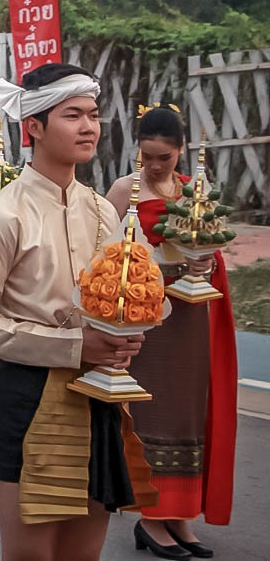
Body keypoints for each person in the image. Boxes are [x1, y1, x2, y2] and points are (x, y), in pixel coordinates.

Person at [0, 63, 157, 561]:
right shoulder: (2, 215)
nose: (89, 126)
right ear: (35, 128)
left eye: (93, 114)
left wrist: (133, 331)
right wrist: (72, 344)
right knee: (30, 555)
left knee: (82, 555)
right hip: (29, 396)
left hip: (100, 394)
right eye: (73, 115)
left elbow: (140, 287)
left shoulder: (104, 211)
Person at [106, 107, 236, 559]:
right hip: (150, 315)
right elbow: (105, 249)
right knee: (154, 413)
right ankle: (150, 518)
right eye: (147, 155)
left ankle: (180, 516)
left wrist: (205, 262)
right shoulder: (126, 188)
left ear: (179, 151)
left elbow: (214, 241)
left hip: (192, 313)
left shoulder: (192, 189)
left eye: (163, 157)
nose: (154, 165)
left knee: (188, 413)